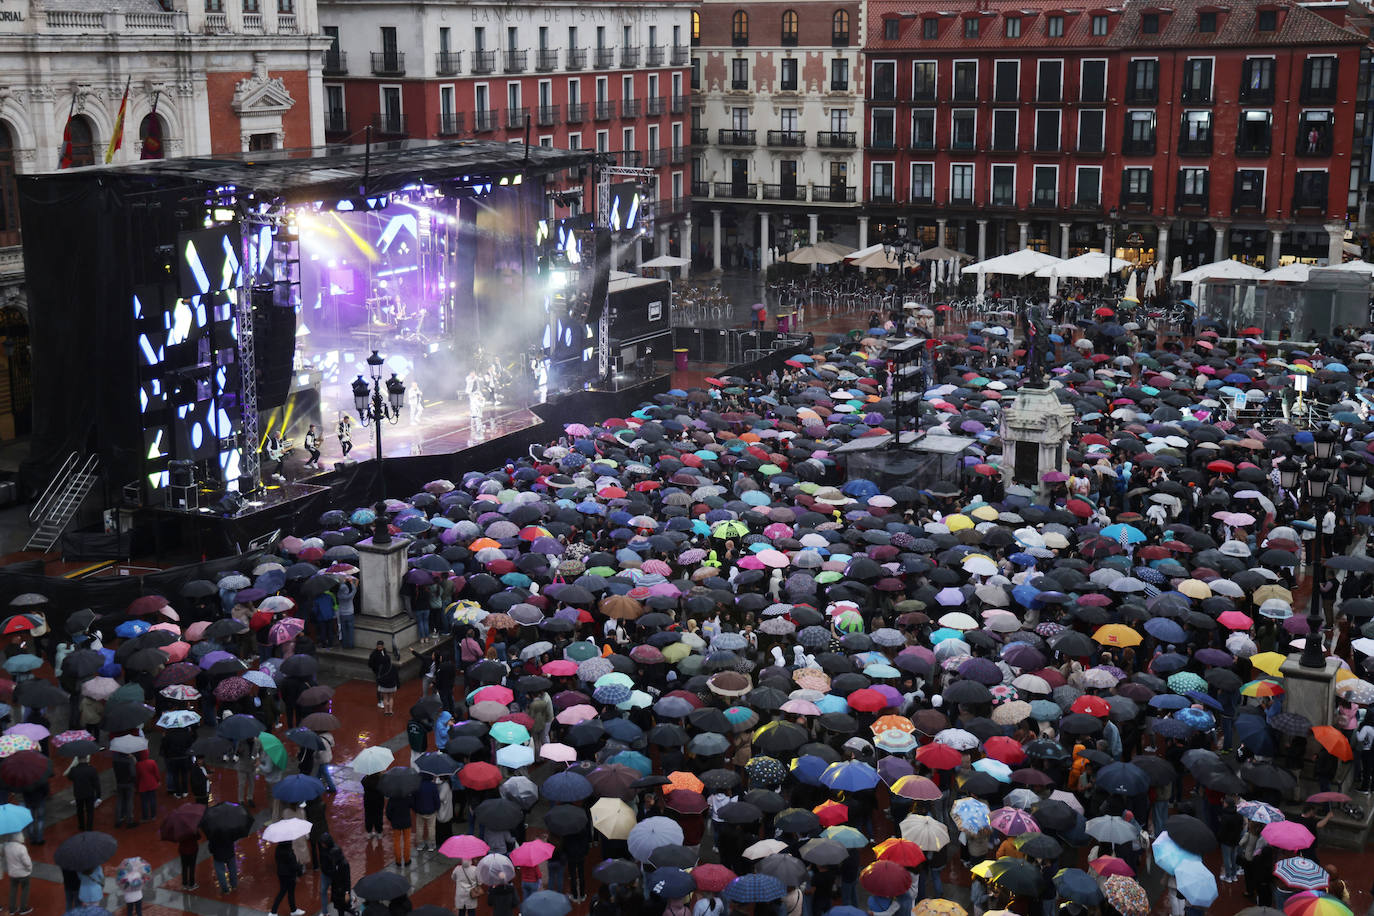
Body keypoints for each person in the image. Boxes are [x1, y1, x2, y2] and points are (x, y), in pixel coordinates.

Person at [271, 839, 305, 916]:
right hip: (290, 875)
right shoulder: (289, 852)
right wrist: (300, 869)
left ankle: (292, 910)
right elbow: (294, 865)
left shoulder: (278, 849)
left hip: (281, 874)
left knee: (284, 892)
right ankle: (274, 911)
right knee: (287, 892)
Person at [66, 755, 101, 831]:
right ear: (86, 759)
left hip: (78, 793)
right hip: (89, 793)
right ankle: (89, 827)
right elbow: (96, 784)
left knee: (80, 810)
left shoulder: (74, 770)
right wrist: (98, 795)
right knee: (90, 811)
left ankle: (81, 825)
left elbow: (69, 777)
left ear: (78, 759)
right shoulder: (92, 769)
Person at [3, 832, 31, 915]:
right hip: (23, 874)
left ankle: (12, 909)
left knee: (13, 890)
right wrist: (29, 869)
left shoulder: (6, 846)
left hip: (12, 873)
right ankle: (23, 908)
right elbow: (27, 862)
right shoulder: (22, 848)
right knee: (25, 889)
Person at [370, 641, 398, 715]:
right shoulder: (374, 654)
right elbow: (371, 663)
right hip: (380, 674)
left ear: (383, 646)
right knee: (389, 697)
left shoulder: (383, 653)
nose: (379, 648)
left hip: (381, 675)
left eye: (381, 647)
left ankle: (386, 710)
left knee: (385, 696)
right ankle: (381, 702)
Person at [135, 749, 161, 822]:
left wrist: (136, 786)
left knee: (144, 802)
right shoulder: (152, 762)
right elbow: (156, 773)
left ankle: (145, 817)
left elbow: (137, 777)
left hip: (142, 786)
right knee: (153, 800)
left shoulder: (138, 765)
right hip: (152, 784)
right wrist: (158, 780)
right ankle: (153, 816)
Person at [336, 577, 358, 649]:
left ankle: (345, 645)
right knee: (350, 630)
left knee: (344, 630)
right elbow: (354, 590)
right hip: (350, 614)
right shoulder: (349, 596)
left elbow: (341, 588)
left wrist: (343, 581)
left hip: (342, 614)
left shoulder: (339, 595)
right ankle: (351, 645)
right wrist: (351, 583)